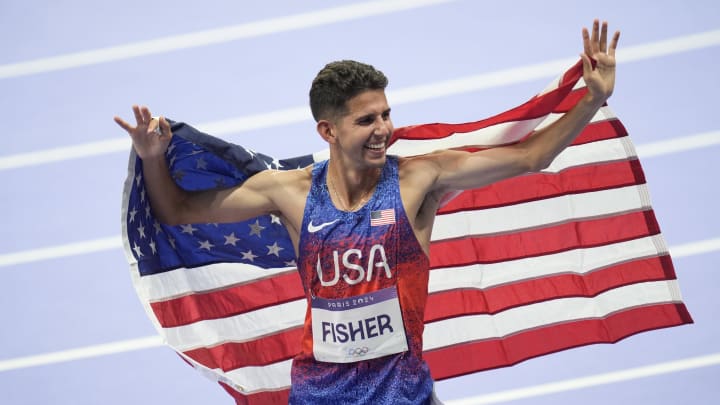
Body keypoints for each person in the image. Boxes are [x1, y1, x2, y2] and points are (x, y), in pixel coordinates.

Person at [115, 20, 619, 405]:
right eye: (366, 120)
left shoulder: (420, 180)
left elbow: (533, 157)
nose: (384, 129)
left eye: (385, 114)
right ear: (328, 132)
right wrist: (154, 157)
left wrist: (591, 100)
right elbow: (178, 210)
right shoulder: (288, 194)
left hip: (406, 396)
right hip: (318, 397)